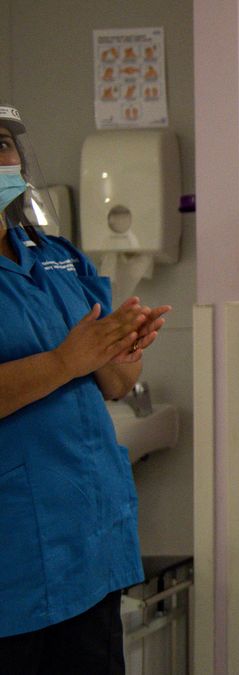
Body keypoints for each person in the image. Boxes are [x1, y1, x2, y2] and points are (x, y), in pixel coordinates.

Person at [0, 104, 170, 672]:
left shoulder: (58, 258)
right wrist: (66, 360)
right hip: (16, 559)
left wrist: (123, 347)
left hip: (90, 538)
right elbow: (71, 363)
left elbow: (118, 383)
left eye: (2, 143)